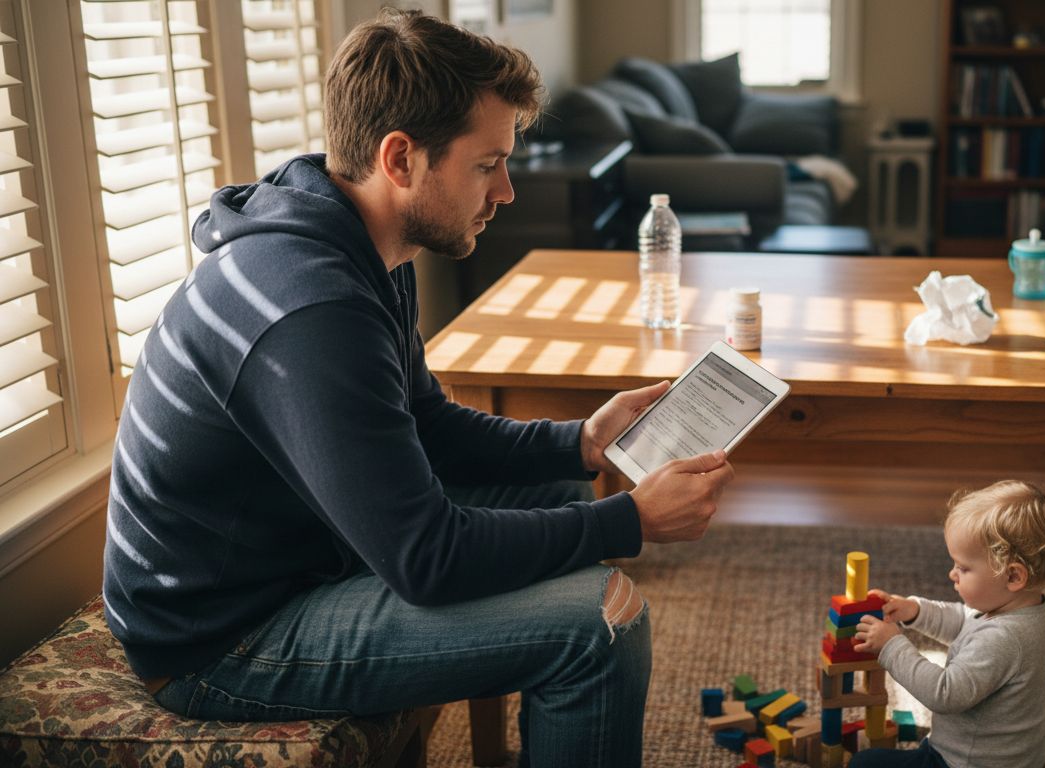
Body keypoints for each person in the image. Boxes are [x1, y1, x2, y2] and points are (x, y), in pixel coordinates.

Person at [101, 9, 734, 767]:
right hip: (225, 635)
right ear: (400, 158)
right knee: (601, 624)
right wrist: (630, 519)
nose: (504, 191)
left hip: (307, 550)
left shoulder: (354, 243)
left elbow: (426, 423)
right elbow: (426, 558)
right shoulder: (311, 306)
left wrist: (582, 440)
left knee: (565, 492)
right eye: (486, 163)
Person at [851, 480, 1045, 768]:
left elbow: (945, 693)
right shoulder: (1028, 609)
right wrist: (914, 611)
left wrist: (892, 646)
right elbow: (963, 620)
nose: (952, 574)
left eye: (963, 567)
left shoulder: (1004, 639)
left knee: (864, 763)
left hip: (965, 763)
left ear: (1013, 577)